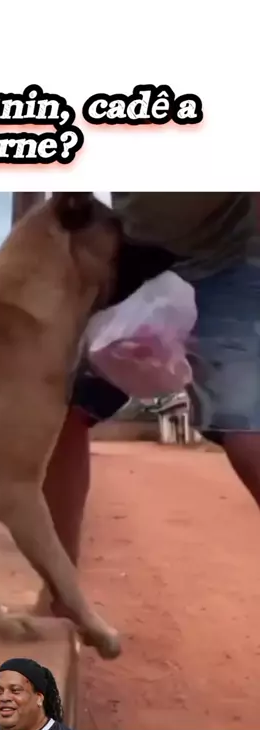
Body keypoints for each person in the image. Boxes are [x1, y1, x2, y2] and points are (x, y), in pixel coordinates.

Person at [36, 192, 260, 616]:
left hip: (228, 259)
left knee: (246, 424)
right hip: (133, 253)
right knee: (62, 407)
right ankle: (60, 596)